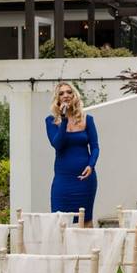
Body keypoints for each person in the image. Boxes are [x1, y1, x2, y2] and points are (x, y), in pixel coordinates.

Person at [45, 82, 99, 227]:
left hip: (85, 179)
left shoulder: (87, 119)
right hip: (63, 179)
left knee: (86, 220)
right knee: (60, 221)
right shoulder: (51, 121)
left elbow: (95, 147)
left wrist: (91, 165)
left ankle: (89, 250)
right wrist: (63, 119)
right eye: (61, 93)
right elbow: (58, 144)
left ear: (74, 95)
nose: (66, 95)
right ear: (57, 99)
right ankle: (64, 251)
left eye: (69, 92)